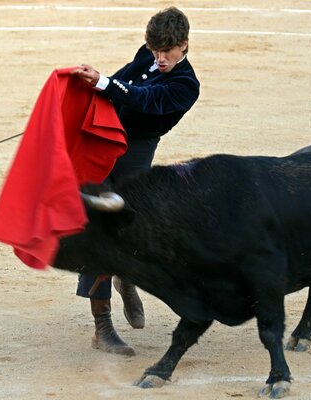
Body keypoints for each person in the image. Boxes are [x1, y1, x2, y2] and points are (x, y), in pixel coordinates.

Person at [71, 6, 200, 356]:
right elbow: (123, 79)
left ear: (183, 45)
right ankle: (103, 327)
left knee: (126, 230)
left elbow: (142, 98)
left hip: (135, 156)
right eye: (155, 51)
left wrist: (104, 83)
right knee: (97, 227)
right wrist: (89, 91)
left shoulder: (186, 86)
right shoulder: (148, 54)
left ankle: (125, 276)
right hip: (103, 143)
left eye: (166, 52)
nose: (159, 58)